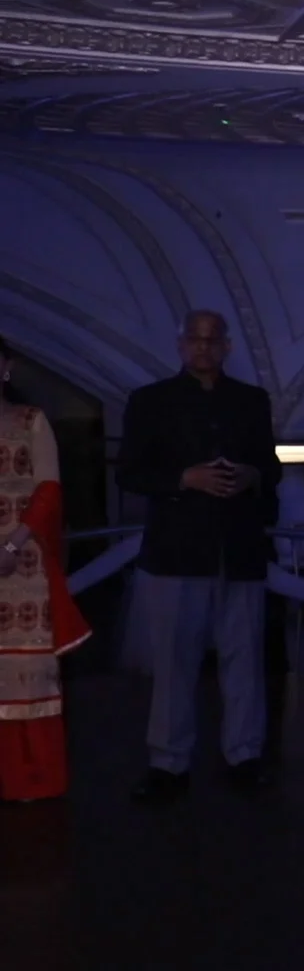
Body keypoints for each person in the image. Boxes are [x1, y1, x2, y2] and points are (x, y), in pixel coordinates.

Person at [118, 310, 280, 802]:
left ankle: (244, 756)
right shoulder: (150, 401)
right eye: (195, 339)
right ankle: (168, 762)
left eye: (212, 339)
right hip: (177, 550)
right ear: (181, 344)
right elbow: (129, 473)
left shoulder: (251, 401)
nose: (203, 347)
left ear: (227, 346)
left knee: (244, 659)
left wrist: (251, 476)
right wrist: (184, 479)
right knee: (174, 662)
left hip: (239, 549)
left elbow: (270, 467)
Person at [0, 336, 92, 802]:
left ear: (6, 368)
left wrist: (12, 544)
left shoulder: (31, 421)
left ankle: (32, 777)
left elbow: (48, 489)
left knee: (27, 670)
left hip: (22, 561)